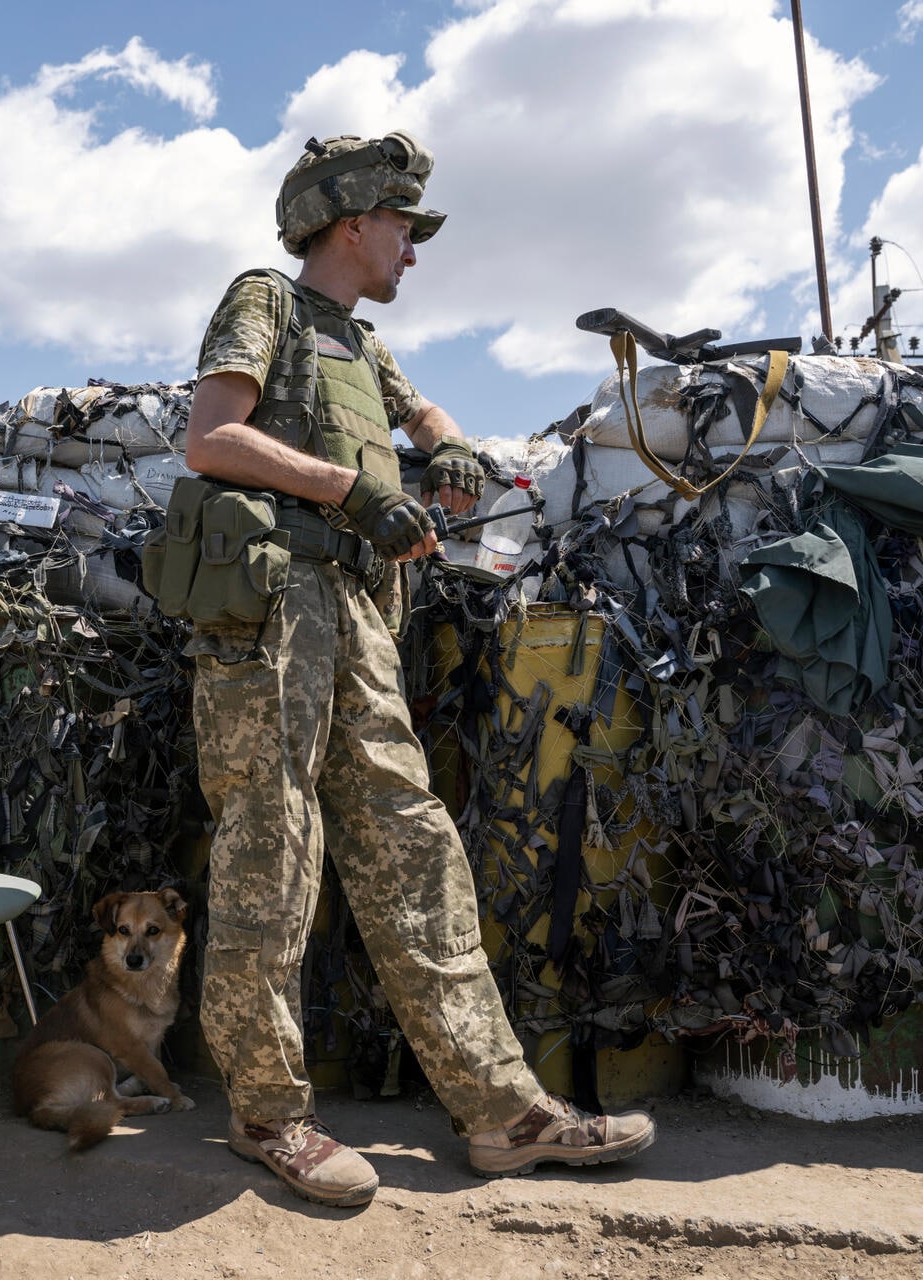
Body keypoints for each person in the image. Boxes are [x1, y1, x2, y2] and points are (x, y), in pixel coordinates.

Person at [180, 131, 655, 1209]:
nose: (412, 249)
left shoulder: (359, 342)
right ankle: (267, 1113)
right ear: (351, 222)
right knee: (273, 848)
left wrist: (439, 445)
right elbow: (210, 436)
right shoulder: (266, 301)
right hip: (271, 619)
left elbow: (418, 409)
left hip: (353, 613)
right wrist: (351, 492)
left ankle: (501, 1111)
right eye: (401, 226)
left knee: (415, 846)